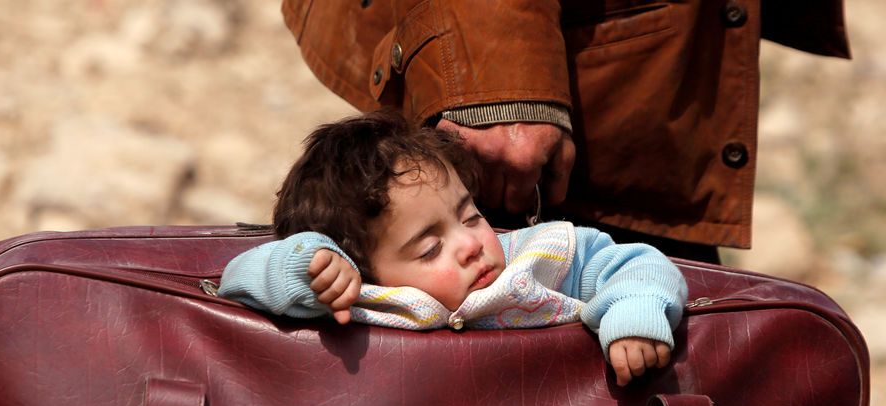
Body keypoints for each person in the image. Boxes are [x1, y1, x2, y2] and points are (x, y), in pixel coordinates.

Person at [280, 0, 850, 262]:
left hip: (641, 88)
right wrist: (495, 79)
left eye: (467, 226)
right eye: (432, 249)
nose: (466, 251)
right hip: (523, 113)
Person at [219, 111, 688, 386]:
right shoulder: (360, 298)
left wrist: (634, 316)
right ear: (365, 270)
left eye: (470, 216)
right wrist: (312, 265)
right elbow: (236, 280)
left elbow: (640, 264)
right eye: (428, 249)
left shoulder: (539, 257)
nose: (469, 244)